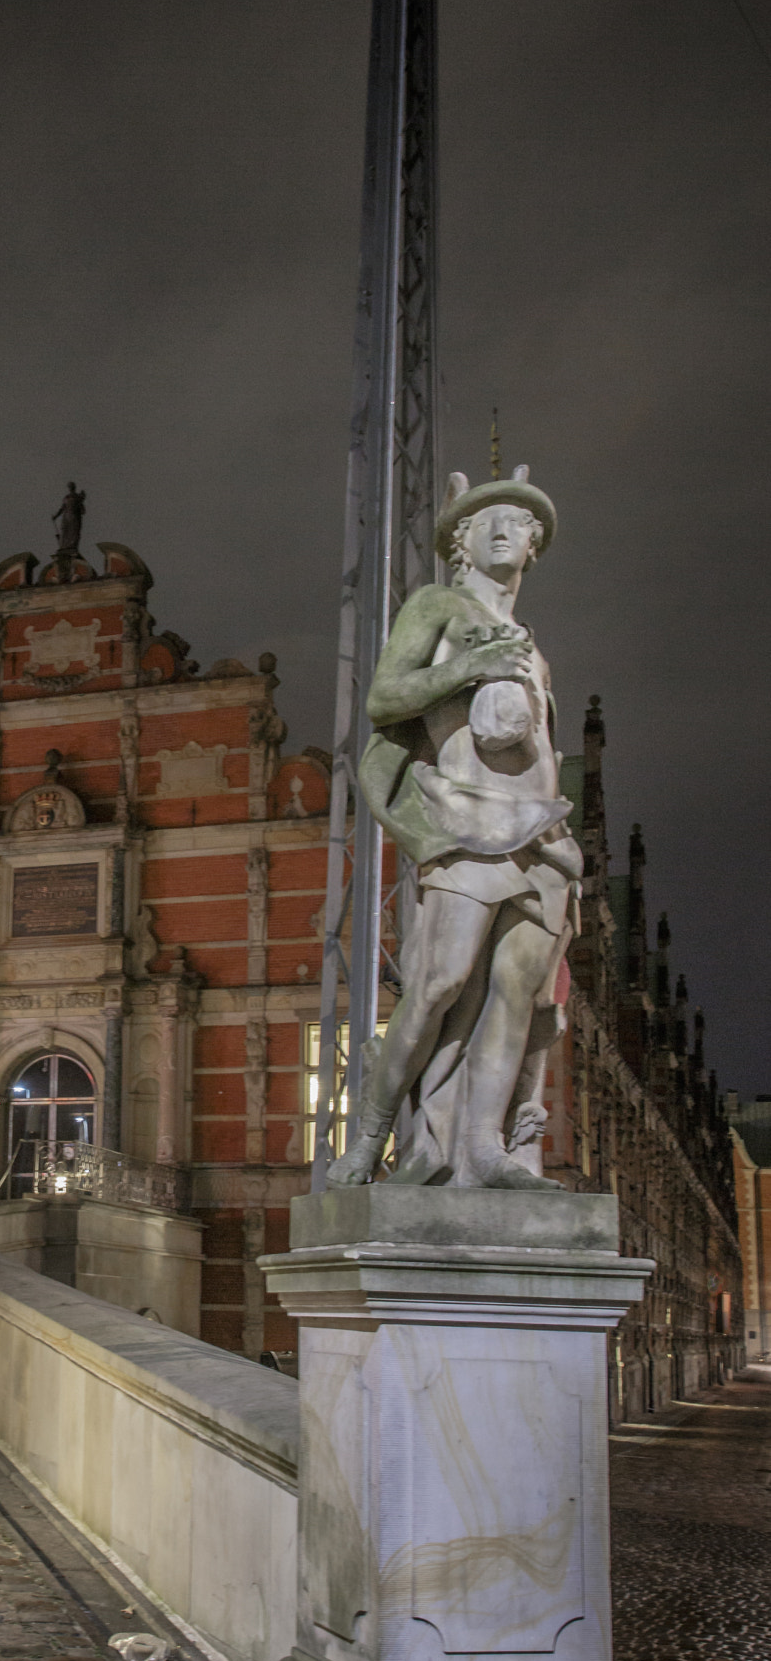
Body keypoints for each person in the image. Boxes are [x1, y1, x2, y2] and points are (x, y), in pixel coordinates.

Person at [327, 465, 581, 1190]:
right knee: (438, 983)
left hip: (543, 840)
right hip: (469, 824)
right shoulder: (439, 604)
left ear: (532, 548)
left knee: (517, 995)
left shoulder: (533, 645)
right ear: (459, 542)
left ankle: (483, 1146)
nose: (505, 532)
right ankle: (369, 1139)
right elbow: (385, 698)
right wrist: (467, 665)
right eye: (485, 522)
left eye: (519, 525)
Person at [54, 481, 85, 555]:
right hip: (67, 517)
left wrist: (81, 502)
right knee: (65, 531)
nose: (70, 488)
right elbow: (62, 508)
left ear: (73, 488)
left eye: (71, 487)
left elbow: (83, 510)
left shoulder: (76, 497)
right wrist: (56, 516)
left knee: (73, 532)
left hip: (73, 517)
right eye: (69, 487)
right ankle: (64, 546)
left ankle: (71, 546)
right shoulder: (67, 498)